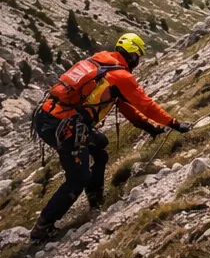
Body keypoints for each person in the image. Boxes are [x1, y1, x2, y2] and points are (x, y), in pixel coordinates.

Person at [31, 33, 189, 242]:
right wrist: (174, 124)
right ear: (133, 56)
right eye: (138, 57)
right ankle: (42, 228)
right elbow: (145, 105)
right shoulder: (121, 76)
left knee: (100, 149)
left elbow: (124, 106)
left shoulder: (101, 62)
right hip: (63, 126)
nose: (138, 62)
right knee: (79, 176)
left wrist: (148, 128)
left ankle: (95, 201)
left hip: (48, 117)